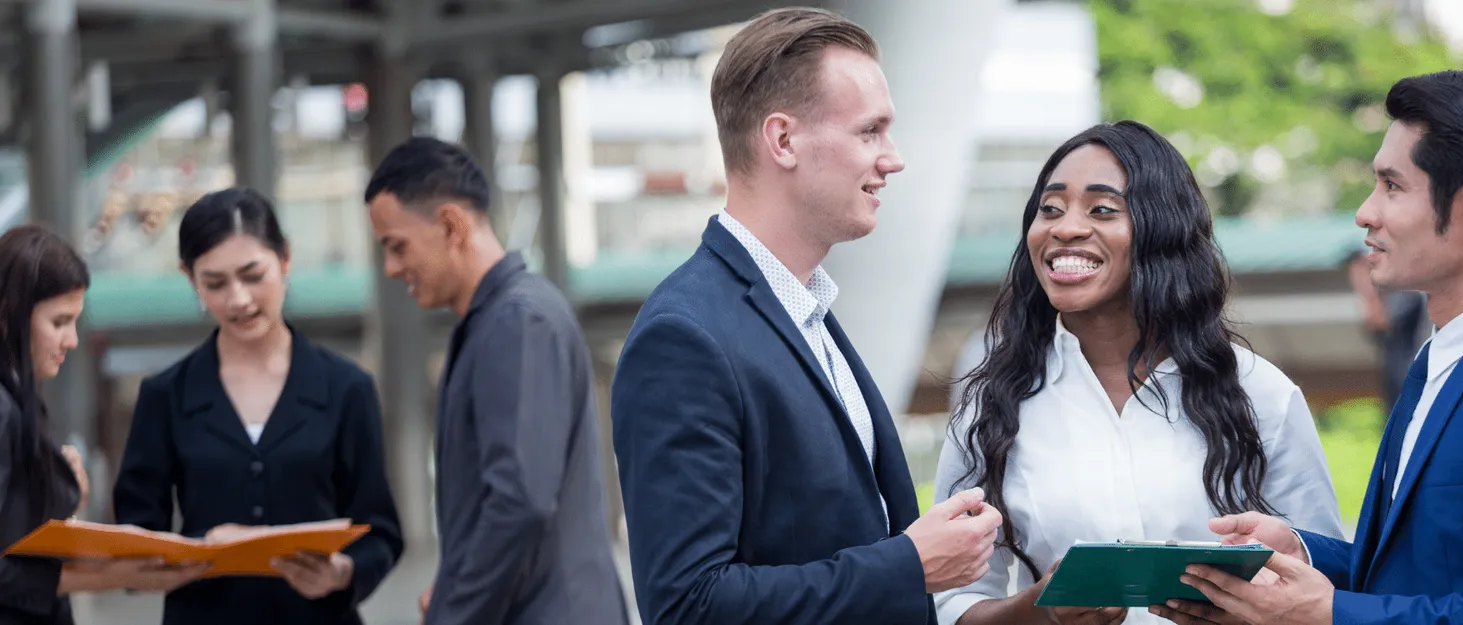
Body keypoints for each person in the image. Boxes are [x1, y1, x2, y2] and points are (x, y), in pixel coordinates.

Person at [610, 7, 1003, 625]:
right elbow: (688, 606)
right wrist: (908, 564)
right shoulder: (684, 337)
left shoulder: (807, 310)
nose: (892, 158)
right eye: (870, 131)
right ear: (783, 140)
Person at [1169, 70, 1463, 624]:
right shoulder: (1437, 361)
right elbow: (1412, 572)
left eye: (1392, 186)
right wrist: (1303, 552)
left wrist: (1331, 615)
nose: (1365, 213)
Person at [932, 122, 1344, 625]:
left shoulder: (1261, 393)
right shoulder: (991, 402)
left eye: (1102, 209)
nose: (1065, 228)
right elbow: (950, 602)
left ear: (1162, 229)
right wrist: (1042, 611)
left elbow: (1324, 585)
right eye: (1050, 209)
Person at [363, 137, 627, 625]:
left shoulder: (517, 321)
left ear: (450, 225)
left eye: (397, 246)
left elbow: (520, 500)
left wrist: (453, 611)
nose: (392, 268)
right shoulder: (495, 320)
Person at [112, 188, 404, 625]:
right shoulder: (166, 395)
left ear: (285, 259)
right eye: (215, 283)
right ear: (189, 278)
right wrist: (196, 552)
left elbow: (379, 530)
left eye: (253, 275)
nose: (239, 299)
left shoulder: (347, 388)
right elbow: (138, 535)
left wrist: (342, 571)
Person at [1, 225, 207, 625]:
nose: (71, 340)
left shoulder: (21, 396)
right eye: (59, 321)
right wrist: (111, 575)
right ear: (11, 314)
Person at [1343, 249, 1428, 415]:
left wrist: (1367, 288)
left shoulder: (1407, 292)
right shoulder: (1385, 296)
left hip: (1409, 372)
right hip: (1391, 375)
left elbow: (1382, 322)